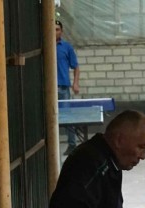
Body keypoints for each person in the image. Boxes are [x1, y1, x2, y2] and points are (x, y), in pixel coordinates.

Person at [55, 20, 80, 154]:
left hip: (63, 88)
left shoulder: (67, 47)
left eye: (57, 29)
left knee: (67, 116)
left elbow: (75, 67)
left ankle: (72, 144)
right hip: (48, 89)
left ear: (61, 31)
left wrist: (75, 83)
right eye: (52, 29)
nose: (55, 32)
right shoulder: (45, 47)